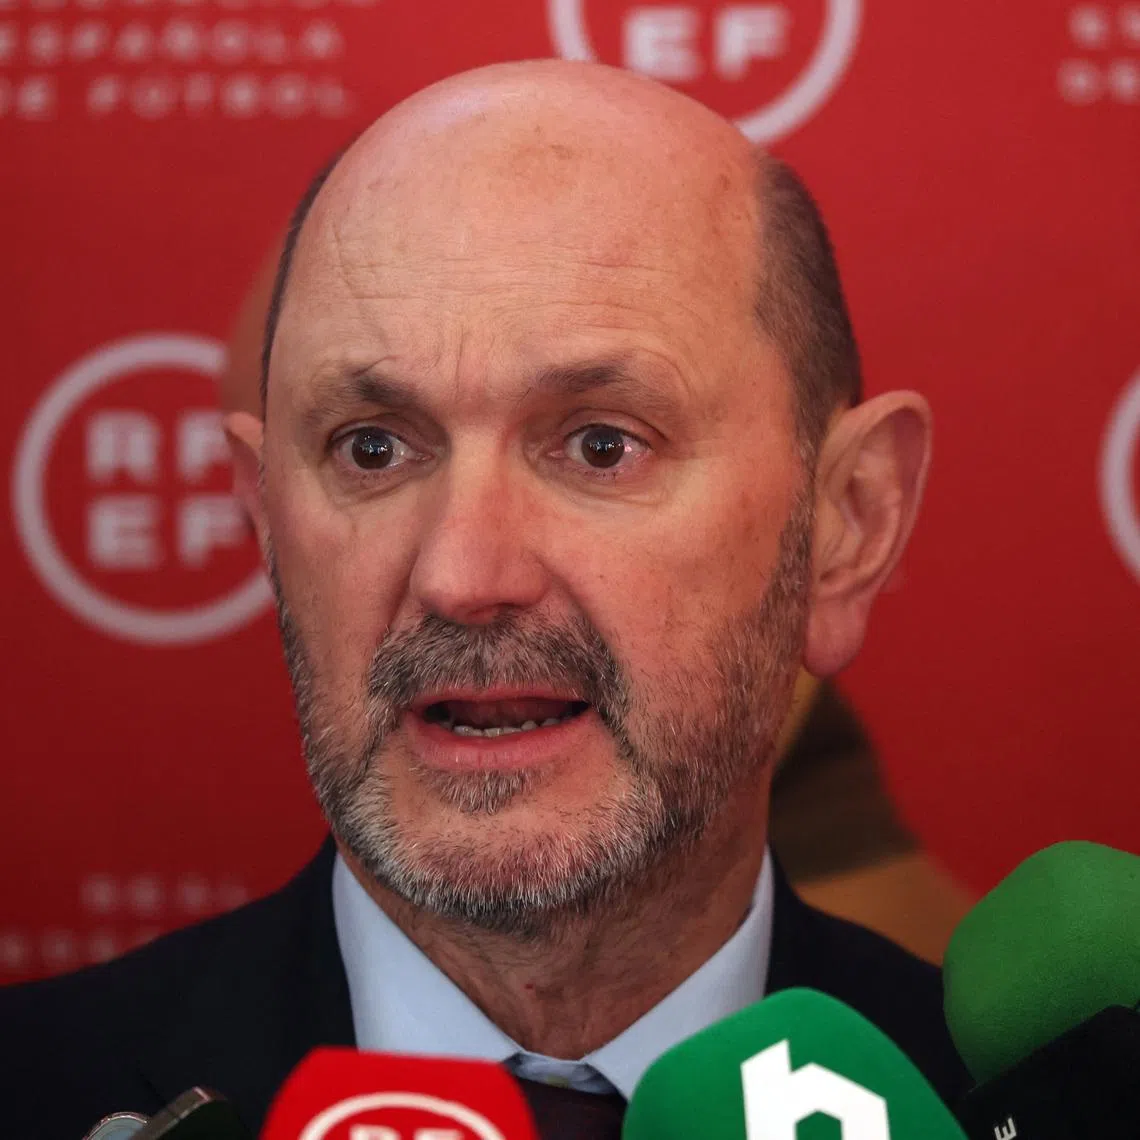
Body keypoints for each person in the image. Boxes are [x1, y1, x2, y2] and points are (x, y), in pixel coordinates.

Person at [0, 60, 970, 1137]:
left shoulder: (1028, 1106)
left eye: (602, 446)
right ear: (268, 524)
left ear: (849, 525)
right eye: (373, 449)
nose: (463, 575)